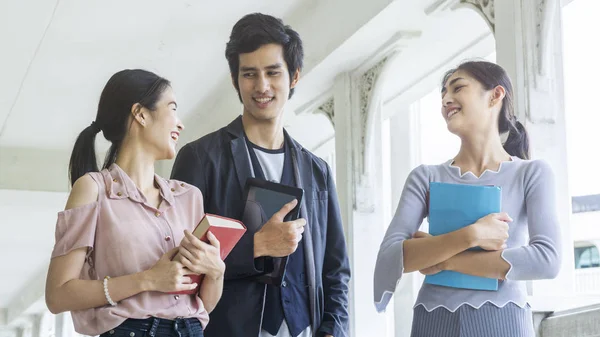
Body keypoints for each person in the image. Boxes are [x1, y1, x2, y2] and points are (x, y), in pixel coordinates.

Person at [170, 13, 350, 337]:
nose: (261, 86)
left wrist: (332, 331)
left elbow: (336, 271)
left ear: (294, 77)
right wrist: (256, 245)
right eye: (249, 74)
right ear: (235, 80)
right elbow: (180, 261)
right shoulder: (199, 158)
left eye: (272, 72)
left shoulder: (317, 171)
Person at [373, 60, 562, 337]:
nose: (446, 100)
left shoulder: (531, 173)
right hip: (433, 321)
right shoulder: (425, 177)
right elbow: (391, 257)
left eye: (458, 88)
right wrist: (472, 235)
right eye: (443, 95)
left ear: (496, 95)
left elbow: (547, 259)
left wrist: (445, 259)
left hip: (505, 320)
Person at [45, 69, 225, 337]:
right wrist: (147, 280)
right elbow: (58, 295)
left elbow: (203, 305)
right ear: (140, 114)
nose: (180, 123)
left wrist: (216, 272)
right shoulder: (93, 189)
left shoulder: (189, 197)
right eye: (172, 109)